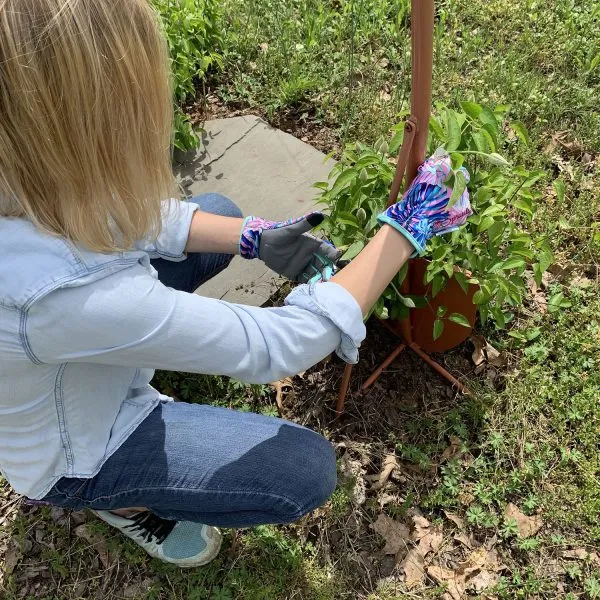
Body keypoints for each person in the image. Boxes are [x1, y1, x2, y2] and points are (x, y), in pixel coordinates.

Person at [0, 0, 472, 568]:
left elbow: (123, 217)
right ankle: (116, 500)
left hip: (64, 351)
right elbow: (276, 347)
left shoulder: (24, 179)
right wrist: (406, 228)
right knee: (301, 472)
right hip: (75, 447)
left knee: (216, 211)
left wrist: (253, 236)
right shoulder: (61, 295)